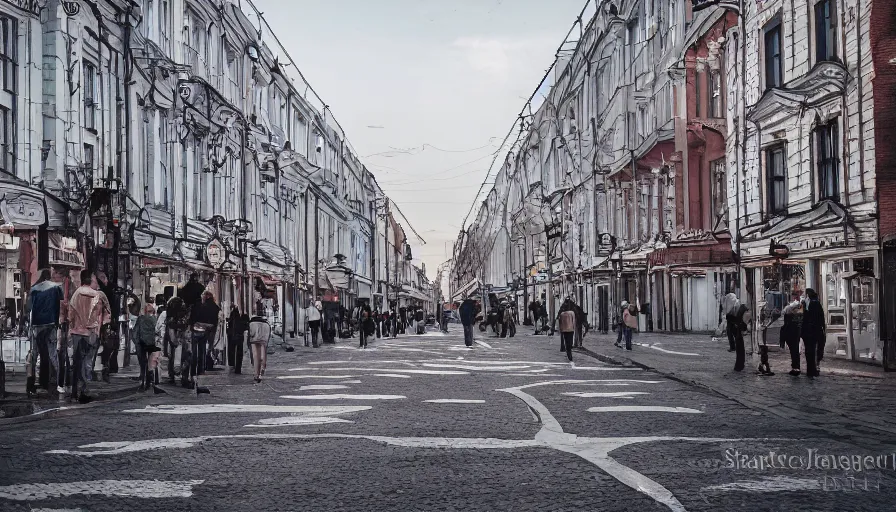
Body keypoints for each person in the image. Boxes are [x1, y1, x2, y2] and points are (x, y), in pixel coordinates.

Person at [68, 270, 111, 404]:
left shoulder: (76, 294)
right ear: (90, 280)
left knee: (76, 363)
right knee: (87, 362)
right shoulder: (97, 295)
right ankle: (84, 390)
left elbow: (71, 314)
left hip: (76, 332)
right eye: (94, 279)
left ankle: (75, 392)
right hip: (90, 332)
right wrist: (98, 331)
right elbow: (101, 315)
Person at [26, 269, 63, 395]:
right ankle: (55, 383)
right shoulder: (56, 288)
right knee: (53, 354)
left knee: (35, 354)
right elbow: (60, 305)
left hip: (36, 325)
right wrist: (58, 322)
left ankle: (31, 385)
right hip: (51, 324)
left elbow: (28, 308)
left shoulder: (34, 289)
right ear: (50, 277)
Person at [189, 290, 219, 384]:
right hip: (207, 330)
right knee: (203, 350)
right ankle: (201, 369)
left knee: (194, 351)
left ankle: (193, 370)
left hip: (196, 329)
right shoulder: (214, 307)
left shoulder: (196, 306)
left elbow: (192, 319)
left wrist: (192, 326)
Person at [133, 302, 158, 391]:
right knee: (151, 364)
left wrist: (136, 343)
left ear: (145, 311)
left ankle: (143, 382)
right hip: (151, 344)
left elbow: (135, 332)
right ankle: (150, 382)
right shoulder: (155, 320)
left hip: (141, 343)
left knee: (143, 364)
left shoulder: (140, 319)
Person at [165, 296, 190, 386]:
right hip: (182, 338)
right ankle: (183, 376)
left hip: (176, 337)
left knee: (172, 356)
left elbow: (170, 330)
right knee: (185, 357)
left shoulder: (170, 317)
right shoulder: (183, 315)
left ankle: (173, 375)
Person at [801, 288, 826, 378]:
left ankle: (812, 370)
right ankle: (814, 369)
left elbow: (808, 318)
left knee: (810, 351)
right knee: (813, 350)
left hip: (811, 331)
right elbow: (821, 318)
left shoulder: (812, 304)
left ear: (808, 296)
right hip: (816, 330)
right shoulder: (816, 303)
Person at [780, 297, 804, 376]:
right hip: (795, 334)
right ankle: (796, 367)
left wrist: (783, 340)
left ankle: (795, 368)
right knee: (795, 351)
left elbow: (784, 327)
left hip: (791, 335)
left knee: (794, 352)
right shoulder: (797, 316)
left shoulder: (789, 316)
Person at [727, 296, 750, 372]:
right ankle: (739, 365)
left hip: (738, 328)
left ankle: (739, 366)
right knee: (740, 347)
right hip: (738, 327)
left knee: (739, 347)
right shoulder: (739, 307)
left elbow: (742, 323)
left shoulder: (740, 309)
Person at [248, 312, 272, 383]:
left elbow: (251, 334)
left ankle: (256, 374)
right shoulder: (266, 324)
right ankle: (261, 371)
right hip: (263, 341)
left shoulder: (251, 323)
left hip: (254, 341)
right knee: (263, 356)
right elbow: (268, 335)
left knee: (255, 358)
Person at [227, 305, 249, 374]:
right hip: (239, 337)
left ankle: (232, 365)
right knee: (239, 353)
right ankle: (238, 369)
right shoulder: (241, 319)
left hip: (231, 337)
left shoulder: (231, 320)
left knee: (231, 351)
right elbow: (245, 327)